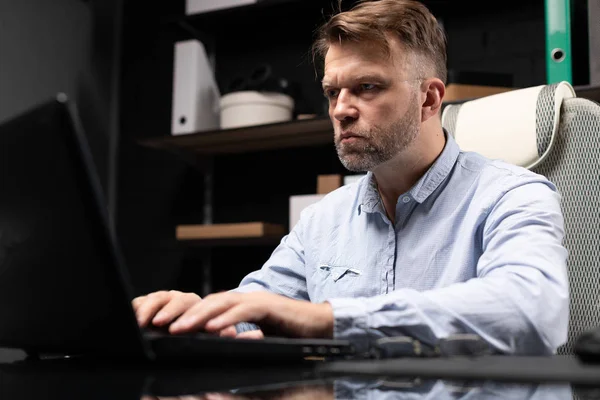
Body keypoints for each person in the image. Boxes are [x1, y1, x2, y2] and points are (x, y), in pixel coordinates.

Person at [133, 0, 569, 355]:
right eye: (332, 92)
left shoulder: (513, 194)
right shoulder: (324, 220)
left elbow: (530, 312)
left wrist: (329, 318)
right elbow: (259, 309)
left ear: (429, 98)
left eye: (367, 87)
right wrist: (202, 317)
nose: (341, 108)